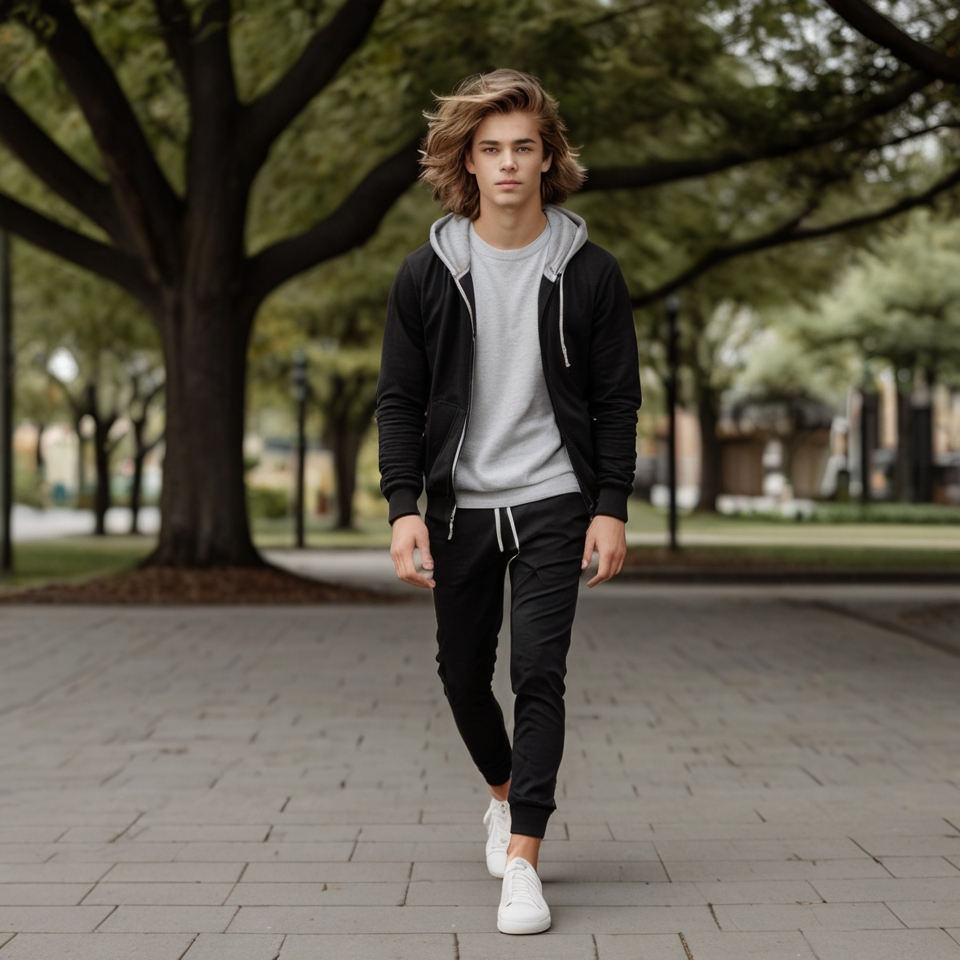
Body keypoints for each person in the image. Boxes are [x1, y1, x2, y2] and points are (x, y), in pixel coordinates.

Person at [376, 69, 641, 935]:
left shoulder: (592, 274)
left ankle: (524, 859)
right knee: (460, 676)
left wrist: (611, 505)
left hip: (555, 497)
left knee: (537, 672)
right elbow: (401, 402)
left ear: (549, 158)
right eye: (491, 150)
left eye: (525, 147)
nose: (509, 165)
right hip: (457, 507)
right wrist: (403, 506)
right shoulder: (426, 275)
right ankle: (502, 794)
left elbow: (616, 400)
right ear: (466, 163)